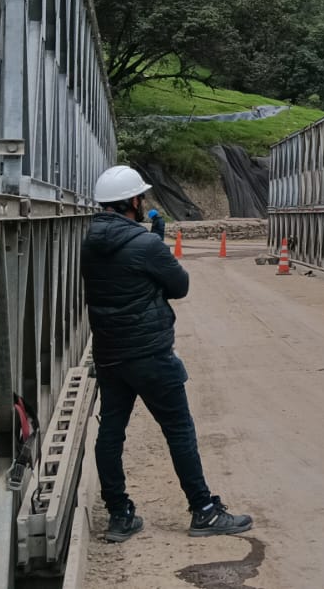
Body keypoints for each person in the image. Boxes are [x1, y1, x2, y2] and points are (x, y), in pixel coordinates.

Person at [84, 165, 253, 543]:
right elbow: (180, 286)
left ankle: (119, 514)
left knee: (111, 432)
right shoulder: (145, 245)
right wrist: (156, 243)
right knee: (179, 430)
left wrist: (154, 241)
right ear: (130, 201)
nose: (142, 202)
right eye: (139, 197)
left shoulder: (89, 242)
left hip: (110, 354)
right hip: (151, 355)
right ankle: (204, 511)